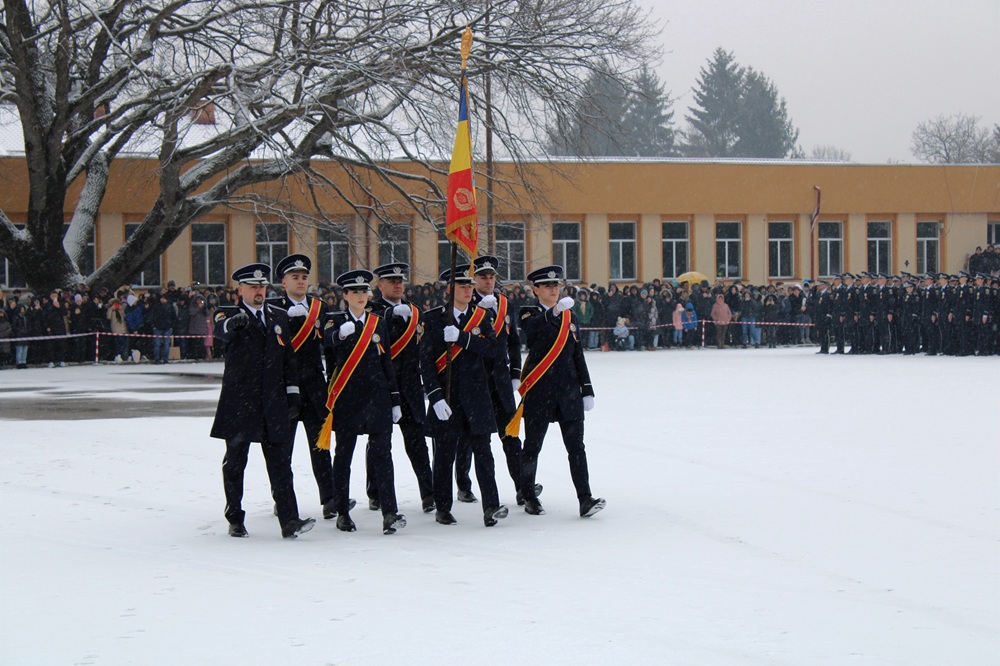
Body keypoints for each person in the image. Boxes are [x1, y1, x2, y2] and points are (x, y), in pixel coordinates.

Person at [210, 263, 315, 539]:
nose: (259, 291)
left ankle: (289, 520)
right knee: (235, 463)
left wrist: (292, 391)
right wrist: (233, 325)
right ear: (240, 290)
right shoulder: (229, 314)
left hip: (272, 402)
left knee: (281, 463)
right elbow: (221, 329)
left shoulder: (277, 316)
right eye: (253, 287)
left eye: (262, 287)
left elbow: (288, 358)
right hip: (240, 402)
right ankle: (235, 517)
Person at [512, 265, 605, 518]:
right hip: (540, 391)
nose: (554, 289)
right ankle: (528, 494)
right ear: (536, 290)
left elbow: (577, 354)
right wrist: (553, 312)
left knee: (576, 447)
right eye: (548, 286)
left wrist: (587, 389)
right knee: (532, 447)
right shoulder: (528, 313)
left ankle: (585, 498)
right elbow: (531, 334)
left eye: (556, 286)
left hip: (568, 392)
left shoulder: (569, 316)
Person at [419, 265, 508, 528]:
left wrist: (464, 338)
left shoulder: (481, 317)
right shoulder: (433, 319)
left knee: (484, 453)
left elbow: (494, 349)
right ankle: (443, 508)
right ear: (450, 289)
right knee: (445, 455)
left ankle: (491, 506)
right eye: (463, 286)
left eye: (471, 286)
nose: (469, 290)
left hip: (477, 395)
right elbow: (425, 362)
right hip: (448, 397)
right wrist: (435, 397)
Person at [322, 269, 406, 535]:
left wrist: (394, 399)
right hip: (348, 400)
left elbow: (386, 362)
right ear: (345, 295)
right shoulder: (334, 321)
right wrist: (340, 335)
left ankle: (390, 512)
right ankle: (342, 512)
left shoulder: (377, 322)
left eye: (364, 291)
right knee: (344, 456)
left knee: (383, 456)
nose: (361, 296)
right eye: (354, 291)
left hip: (378, 398)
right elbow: (326, 345)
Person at [270, 254, 342, 521]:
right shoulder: (274, 308)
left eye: (303, 278)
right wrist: (288, 322)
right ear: (284, 281)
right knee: (282, 451)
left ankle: (330, 498)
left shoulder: (318, 307)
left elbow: (328, 342)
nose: (300, 282)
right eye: (295, 277)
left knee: (320, 447)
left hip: (313, 388)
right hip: (283, 389)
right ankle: (282, 499)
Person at [366, 262, 435, 514]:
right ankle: (375, 492)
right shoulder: (371, 310)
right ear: (380, 285)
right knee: (379, 444)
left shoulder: (415, 311)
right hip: (381, 386)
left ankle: (428, 493)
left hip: (410, 385)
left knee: (417, 441)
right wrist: (390, 321)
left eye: (400, 281)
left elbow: (423, 348)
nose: (398, 285)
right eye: (391, 281)